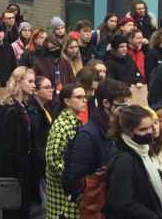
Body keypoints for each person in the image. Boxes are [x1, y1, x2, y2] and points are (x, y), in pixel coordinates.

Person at [64, 80, 131, 217]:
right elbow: (76, 179)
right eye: (121, 103)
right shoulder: (87, 135)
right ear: (106, 103)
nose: (126, 108)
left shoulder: (121, 130)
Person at [0, 67, 38, 219]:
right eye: (30, 81)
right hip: (14, 175)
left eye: (34, 81)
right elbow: (9, 148)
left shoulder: (23, 107)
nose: (34, 85)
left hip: (23, 173)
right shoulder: (12, 110)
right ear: (18, 82)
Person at [103, 105, 162, 219]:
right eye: (143, 129)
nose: (150, 132)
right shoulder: (124, 160)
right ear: (128, 131)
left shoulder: (142, 151)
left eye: (151, 127)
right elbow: (121, 203)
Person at [45, 83, 86, 219]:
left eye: (84, 97)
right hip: (62, 193)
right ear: (67, 101)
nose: (84, 101)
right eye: (79, 97)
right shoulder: (62, 125)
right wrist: (74, 176)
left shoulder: (75, 122)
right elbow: (52, 159)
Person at [25, 76, 54, 217]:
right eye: (46, 87)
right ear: (36, 91)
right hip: (38, 168)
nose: (51, 90)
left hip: (43, 165)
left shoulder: (44, 109)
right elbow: (37, 144)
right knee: (41, 207)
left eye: (51, 87)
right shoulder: (34, 113)